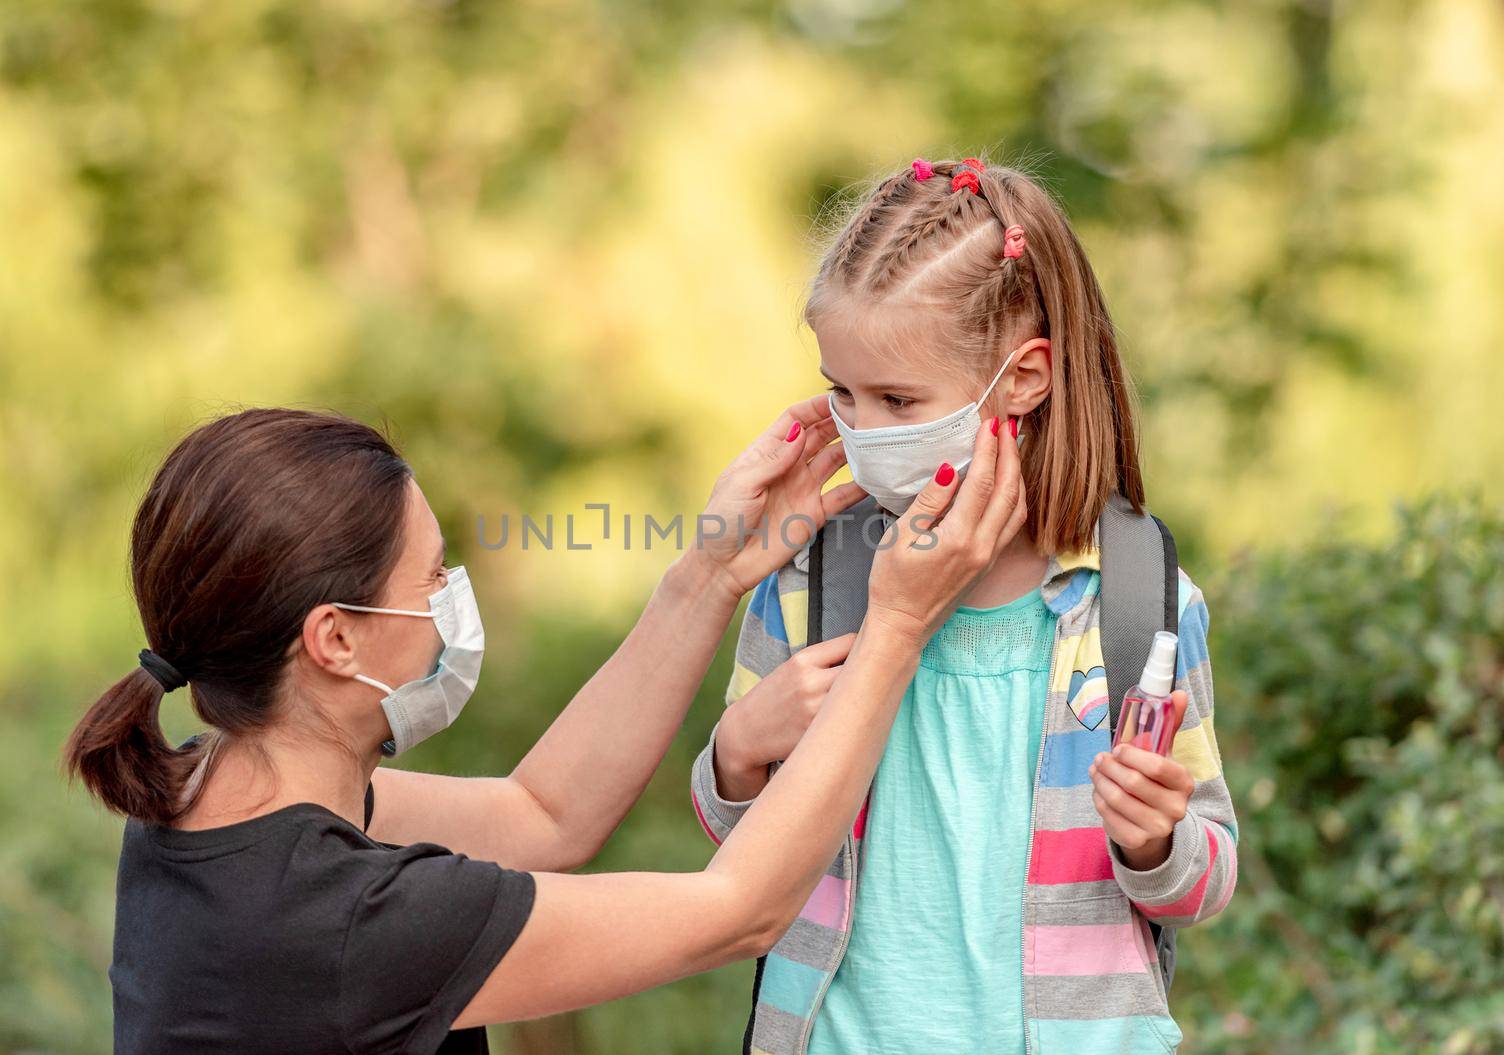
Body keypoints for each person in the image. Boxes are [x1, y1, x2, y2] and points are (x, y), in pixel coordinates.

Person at [63, 400, 1028, 1053]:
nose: (450, 599)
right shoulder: (350, 918)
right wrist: (899, 626)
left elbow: (543, 814)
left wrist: (710, 575)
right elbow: (741, 910)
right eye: (431, 577)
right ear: (336, 638)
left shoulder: (204, 796)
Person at [689, 157, 1239, 1054]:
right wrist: (737, 755)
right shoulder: (809, 579)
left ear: (1024, 379)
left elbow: (1204, 878)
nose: (863, 430)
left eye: (899, 399)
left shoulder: (1138, 599)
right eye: (842, 392)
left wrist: (1156, 842)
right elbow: (742, 856)